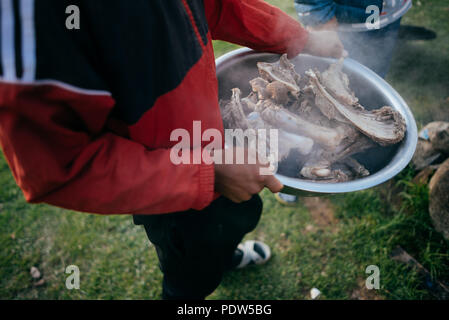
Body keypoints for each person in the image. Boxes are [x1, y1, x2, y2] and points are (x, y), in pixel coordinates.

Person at [0, 0, 344, 300]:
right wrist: (205, 173)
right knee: (189, 268)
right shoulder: (36, 16)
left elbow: (217, 5)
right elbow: (58, 169)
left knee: (231, 221)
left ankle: (223, 254)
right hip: (167, 185)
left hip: (216, 145)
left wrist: (300, 38)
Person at [275, 0, 412, 206]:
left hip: (388, 16)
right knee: (316, 80)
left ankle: (321, 164)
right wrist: (320, 20)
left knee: (368, 76)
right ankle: (291, 182)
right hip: (340, 17)